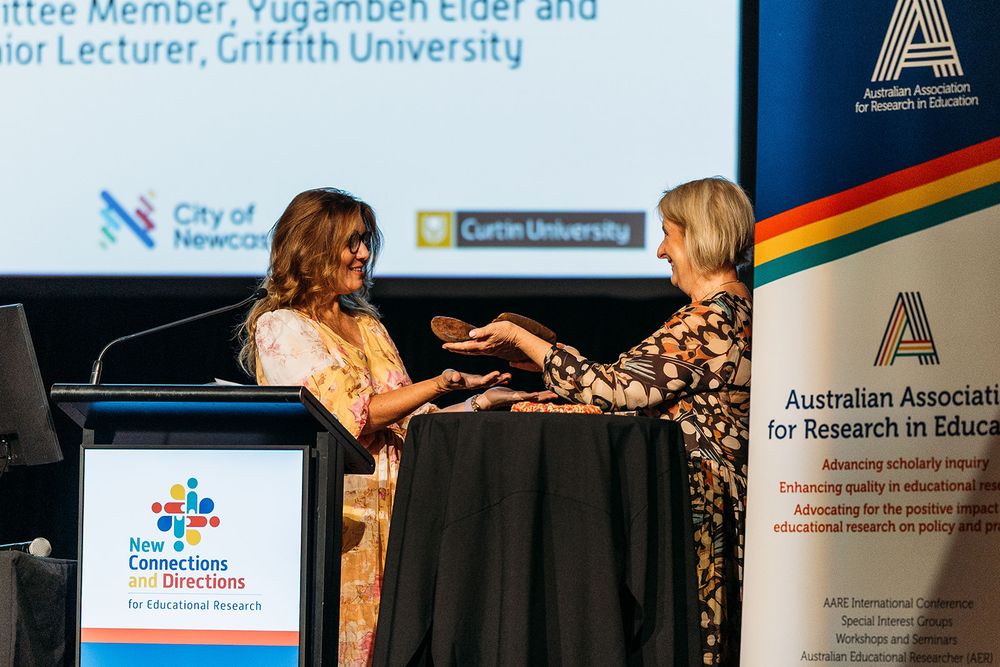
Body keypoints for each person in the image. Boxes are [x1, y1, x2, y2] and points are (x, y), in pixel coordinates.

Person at [444, 176, 753, 666]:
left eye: (668, 236)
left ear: (699, 236)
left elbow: (612, 389)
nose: (660, 251)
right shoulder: (739, 309)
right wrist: (542, 362)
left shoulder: (709, 321)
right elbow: (632, 383)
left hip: (699, 519)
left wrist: (521, 339)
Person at [238, 187, 538, 666]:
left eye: (365, 240)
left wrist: (479, 402)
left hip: (401, 518)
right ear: (311, 247)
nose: (363, 253)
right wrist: (439, 382)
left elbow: (410, 423)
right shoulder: (282, 326)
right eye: (351, 242)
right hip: (341, 524)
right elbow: (348, 413)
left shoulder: (368, 326)